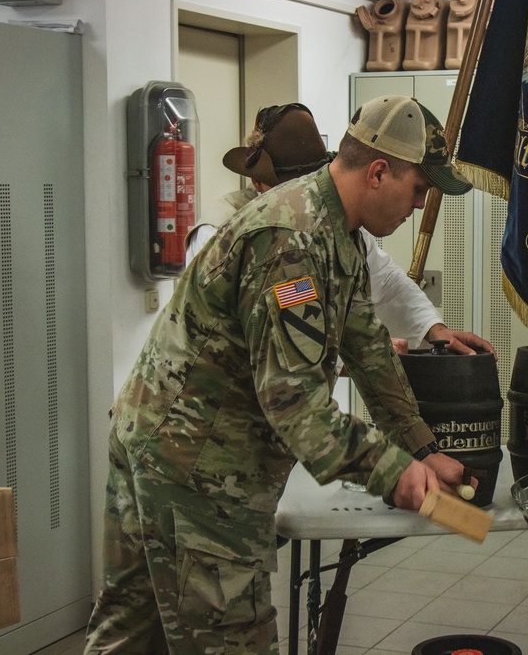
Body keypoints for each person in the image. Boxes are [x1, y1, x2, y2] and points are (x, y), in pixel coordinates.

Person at [84, 95, 478, 653]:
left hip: (163, 444)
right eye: (419, 189)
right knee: (226, 640)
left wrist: (420, 446)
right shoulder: (290, 238)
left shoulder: (335, 229)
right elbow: (294, 406)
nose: (418, 205)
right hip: (197, 469)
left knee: (130, 632)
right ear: (379, 171)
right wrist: (394, 472)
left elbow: (368, 347)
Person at [187, 102, 493, 357]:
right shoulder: (223, 232)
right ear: (258, 183)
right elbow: (269, 344)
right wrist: (354, 351)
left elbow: (383, 282)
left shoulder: (333, 227)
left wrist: (432, 330)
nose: (303, 203)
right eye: (293, 191)